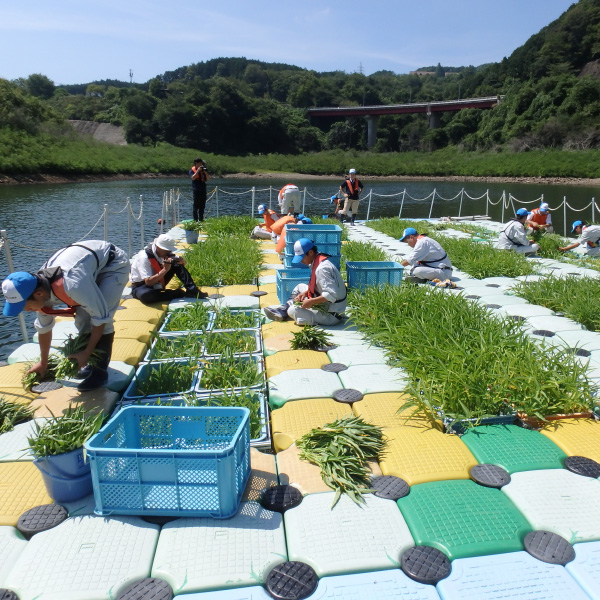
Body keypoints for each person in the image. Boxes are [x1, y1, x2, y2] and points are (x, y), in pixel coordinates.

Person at [1, 241, 130, 391]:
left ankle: (100, 373)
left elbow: (100, 318)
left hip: (113, 265)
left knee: (103, 315)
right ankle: (89, 362)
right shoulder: (36, 288)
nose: (27, 310)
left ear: (39, 294)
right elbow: (44, 328)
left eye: (26, 306)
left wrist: (87, 352)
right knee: (82, 320)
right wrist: (43, 363)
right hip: (86, 269)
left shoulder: (72, 285)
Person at [263, 238, 347, 326]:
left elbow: (332, 295)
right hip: (328, 305)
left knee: (292, 310)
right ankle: (283, 311)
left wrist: (311, 302)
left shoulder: (322, 269)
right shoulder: (317, 261)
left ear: (311, 252)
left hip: (331, 315)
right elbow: (320, 285)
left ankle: (289, 312)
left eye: (302, 257)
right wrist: (306, 293)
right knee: (300, 287)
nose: (301, 261)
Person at [130, 234, 208, 304]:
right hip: (142, 285)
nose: (169, 252)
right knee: (146, 296)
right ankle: (174, 293)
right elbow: (148, 282)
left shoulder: (165, 253)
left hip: (158, 281)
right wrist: (165, 269)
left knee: (176, 264)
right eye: (166, 250)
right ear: (158, 247)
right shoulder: (144, 258)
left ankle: (192, 290)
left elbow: (183, 264)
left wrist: (182, 261)